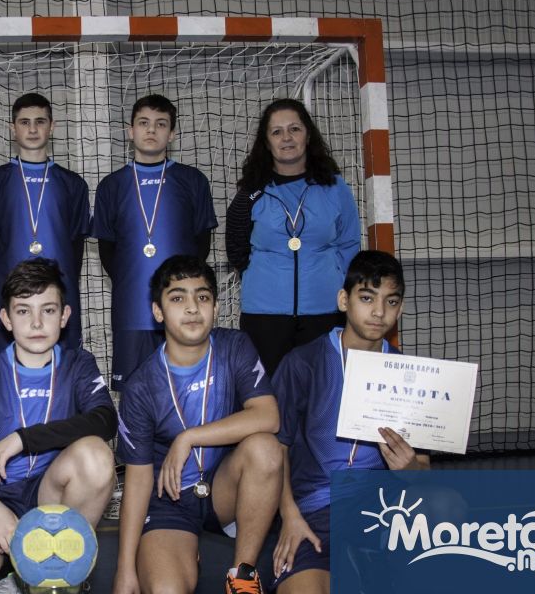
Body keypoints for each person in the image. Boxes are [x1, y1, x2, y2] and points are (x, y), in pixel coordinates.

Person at [0, 258, 117, 593]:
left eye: (48, 310)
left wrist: (22, 439)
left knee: (96, 455)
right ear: (6, 318)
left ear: (64, 316)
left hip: (51, 491)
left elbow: (105, 420)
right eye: (23, 311)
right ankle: (14, 570)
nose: (36, 322)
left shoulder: (78, 364)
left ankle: (63, 570)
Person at [114, 255, 282, 594]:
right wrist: (125, 569)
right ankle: (179, 551)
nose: (192, 308)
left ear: (216, 307)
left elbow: (268, 416)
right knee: (165, 590)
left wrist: (188, 437)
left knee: (265, 448)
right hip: (170, 501)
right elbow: (138, 479)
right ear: (158, 311)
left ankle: (243, 576)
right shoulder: (140, 386)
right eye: (177, 298)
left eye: (202, 297)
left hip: (223, 487)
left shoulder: (234, 346)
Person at [270, 250, 429, 594]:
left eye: (391, 301)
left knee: (449, 505)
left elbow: (423, 468)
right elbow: (275, 451)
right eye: (367, 298)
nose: (379, 312)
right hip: (313, 509)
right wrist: (289, 516)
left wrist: (411, 469)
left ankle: (374, 560)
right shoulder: (303, 362)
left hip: (382, 505)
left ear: (400, 308)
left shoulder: (409, 374)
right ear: (344, 300)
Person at [225, 98, 361, 375]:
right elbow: (236, 246)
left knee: (322, 389)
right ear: (266, 142)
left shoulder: (335, 187)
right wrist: (261, 275)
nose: (286, 138)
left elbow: (349, 243)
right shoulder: (251, 191)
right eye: (277, 132)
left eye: (294, 129)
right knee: (268, 394)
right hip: (264, 315)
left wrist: (333, 279)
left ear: (308, 135)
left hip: (324, 310)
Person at [93, 94, 217, 390]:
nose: (151, 130)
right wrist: (130, 283)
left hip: (182, 309)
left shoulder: (193, 180)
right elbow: (107, 249)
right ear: (130, 131)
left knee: (184, 387)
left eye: (161, 124)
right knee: (134, 391)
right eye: (144, 123)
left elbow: (202, 242)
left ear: (171, 134)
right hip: (131, 308)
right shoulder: (110, 186)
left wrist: (183, 286)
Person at [0, 92, 91, 354]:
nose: (32, 129)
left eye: (40, 121)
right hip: (11, 296)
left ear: (52, 126)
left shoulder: (73, 184)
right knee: (8, 369)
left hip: (58, 297)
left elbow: (76, 248)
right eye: (24, 122)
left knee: (64, 369)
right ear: (12, 128)